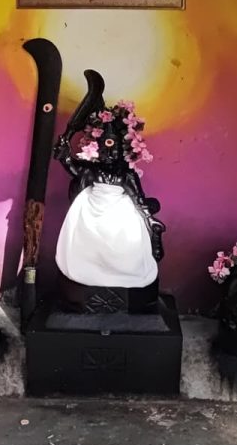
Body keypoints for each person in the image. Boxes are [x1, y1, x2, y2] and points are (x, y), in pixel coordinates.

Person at [53, 74, 164, 291]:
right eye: (105, 148)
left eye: (115, 149)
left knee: (126, 239)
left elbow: (138, 199)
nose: (110, 153)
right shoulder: (93, 170)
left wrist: (150, 221)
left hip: (119, 214)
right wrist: (64, 155)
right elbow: (74, 168)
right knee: (87, 242)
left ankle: (121, 278)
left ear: (124, 150)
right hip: (91, 212)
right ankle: (87, 275)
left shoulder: (126, 175)